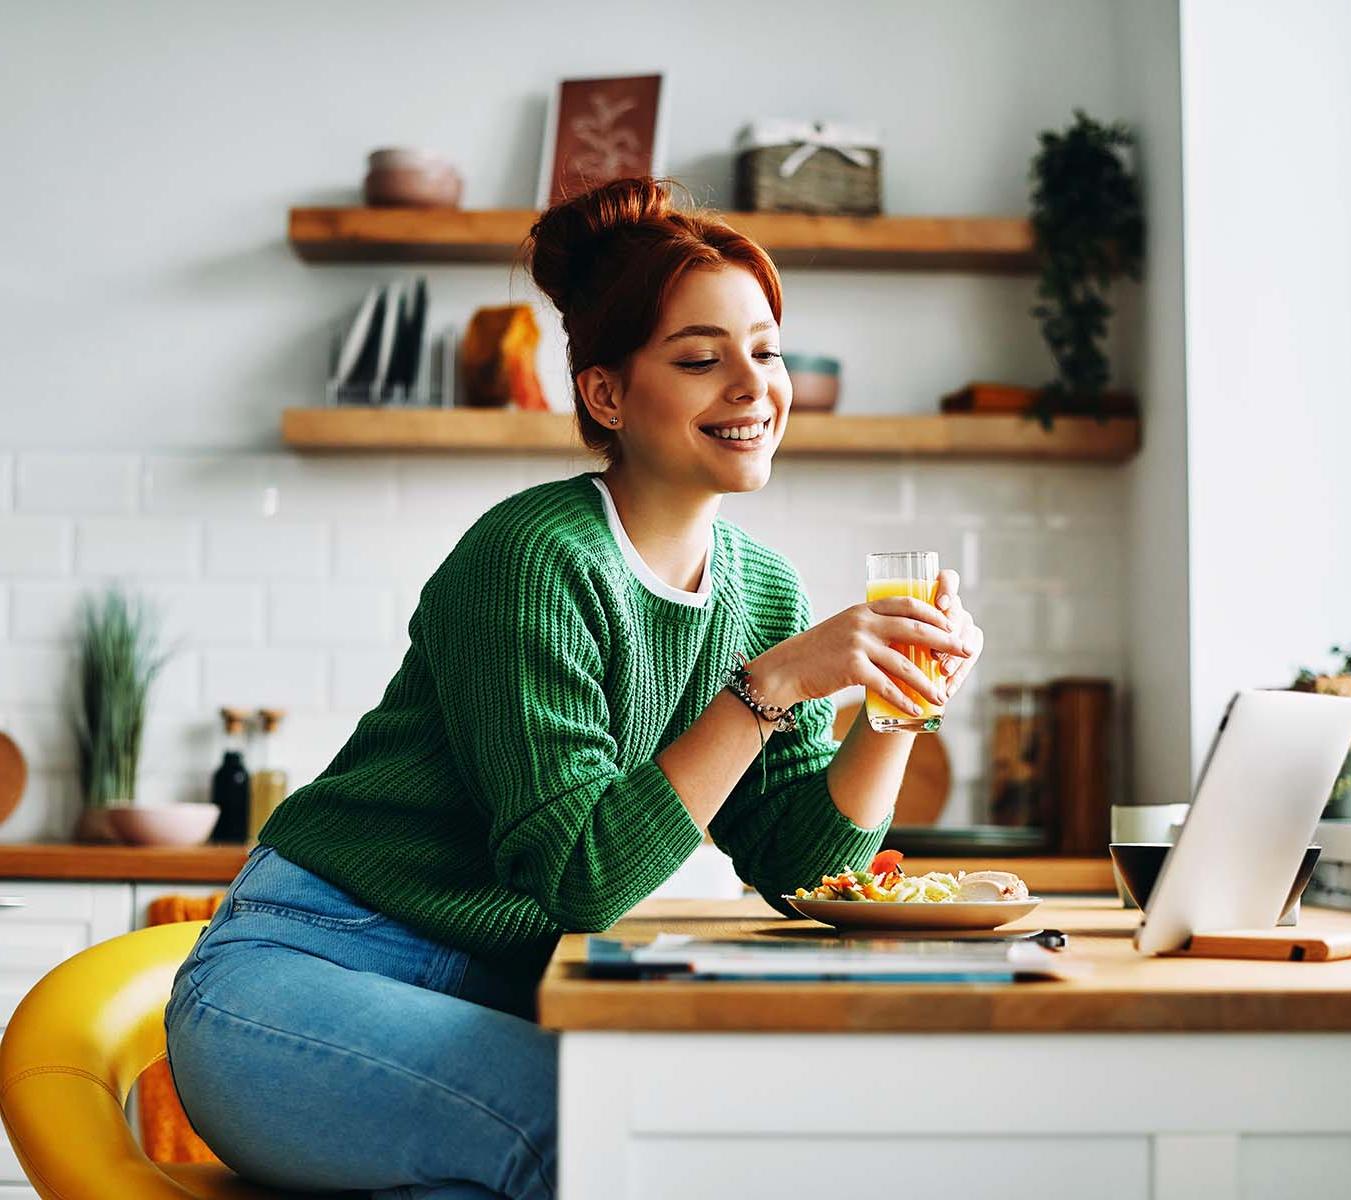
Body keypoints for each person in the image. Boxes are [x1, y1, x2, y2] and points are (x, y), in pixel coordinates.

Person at [163, 176, 984, 1199]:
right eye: (701, 357)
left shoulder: (763, 589)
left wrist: (899, 702)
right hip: (300, 979)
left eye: (766, 350)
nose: (752, 384)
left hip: (482, 995)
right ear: (605, 394)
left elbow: (803, 866)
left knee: (670, 1130)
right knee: (605, 1140)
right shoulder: (533, 559)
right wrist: (773, 682)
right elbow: (583, 876)